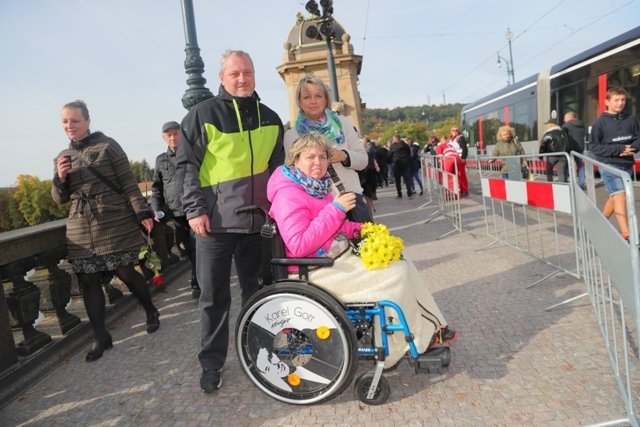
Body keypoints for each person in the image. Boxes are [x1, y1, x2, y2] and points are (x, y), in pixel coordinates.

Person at [267, 133, 457, 368]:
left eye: (323, 157)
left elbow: (335, 228)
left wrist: (366, 230)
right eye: (310, 157)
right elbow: (298, 244)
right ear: (295, 160)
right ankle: (404, 346)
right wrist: (336, 208)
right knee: (394, 275)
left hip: (330, 257)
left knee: (400, 258)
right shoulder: (289, 194)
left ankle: (432, 329)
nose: (318, 162)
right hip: (311, 270)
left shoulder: (316, 187)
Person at [176, 50, 284, 393]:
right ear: (222, 78)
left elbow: (279, 172)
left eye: (247, 72)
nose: (242, 79)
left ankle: (258, 352)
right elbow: (186, 166)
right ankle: (212, 363)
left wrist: (281, 210)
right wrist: (194, 209)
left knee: (258, 294)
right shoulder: (200, 115)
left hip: (258, 225)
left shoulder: (271, 118)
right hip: (215, 226)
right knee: (213, 297)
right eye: (235, 73)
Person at [51, 100, 160, 363]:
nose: (69, 126)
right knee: (88, 281)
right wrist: (60, 179)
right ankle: (101, 336)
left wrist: (142, 213)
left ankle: (150, 310)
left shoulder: (108, 145)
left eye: (74, 121)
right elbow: (58, 200)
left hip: (114, 222)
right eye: (65, 122)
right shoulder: (62, 157)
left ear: (87, 121)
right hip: (80, 227)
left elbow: (128, 183)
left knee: (125, 272)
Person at [284, 73, 367, 193]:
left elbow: (363, 160)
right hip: (315, 204)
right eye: (306, 97)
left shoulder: (343, 124)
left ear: (326, 99)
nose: (313, 101)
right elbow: (290, 176)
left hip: (348, 198)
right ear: (300, 102)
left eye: (318, 96)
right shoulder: (292, 136)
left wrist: (343, 156)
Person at [151, 121, 200, 299]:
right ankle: (199, 282)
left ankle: (197, 284)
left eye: (175, 133)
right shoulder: (160, 160)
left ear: (181, 134)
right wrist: (156, 209)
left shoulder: (192, 153)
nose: (172, 137)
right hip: (175, 214)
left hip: (195, 209)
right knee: (189, 250)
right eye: (168, 135)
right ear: (164, 138)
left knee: (197, 249)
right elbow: (156, 188)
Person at [588, 87, 640, 241]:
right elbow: (593, 146)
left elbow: (638, 138)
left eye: (623, 100)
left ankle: (600, 220)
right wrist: (619, 149)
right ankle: (627, 234)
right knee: (620, 196)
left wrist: (634, 148)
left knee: (615, 197)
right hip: (609, 165)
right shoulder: (600, 123)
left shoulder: (631, 119)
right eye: (616, 100)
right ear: (607, 102)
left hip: (626, 165)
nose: (620, 103)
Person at [562, 111, 586, 189]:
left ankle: (565, 181)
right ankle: (581, 184)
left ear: (570, 117)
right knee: (580, 166)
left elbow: (563, 137)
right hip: (580, 148)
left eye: (565, 118)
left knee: (566, 165)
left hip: (569, 149)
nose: (564, 120)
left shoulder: (566, 126)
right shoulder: (581, 125)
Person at [389, 134, 413, 198]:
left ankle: (399, 194)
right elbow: (409, 153)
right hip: (405, 163)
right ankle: (409, 193)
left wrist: (391, 160)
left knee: (397, 180)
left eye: (393, 139)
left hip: (396, 164)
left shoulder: (393, 146)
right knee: (407, 179)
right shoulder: (405, 145)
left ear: (395, 139)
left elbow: (390, 155)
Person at [448, 127, 469, 196]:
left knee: (461, 175)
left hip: (460, 159)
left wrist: (463, 158)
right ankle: (459, 190)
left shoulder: (460, 138)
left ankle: (464, 190)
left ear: (458, 131)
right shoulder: (450, 140)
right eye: (453, 130)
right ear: (451, 131)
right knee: (455, 175)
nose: (455, 132)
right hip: (452, 160)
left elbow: (465, 148)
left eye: (456, 130)